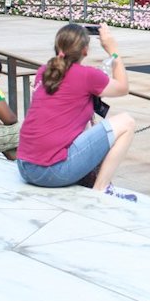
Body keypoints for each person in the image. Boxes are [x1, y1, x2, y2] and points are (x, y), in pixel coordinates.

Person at [17, 23, 137, 201]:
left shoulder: (44, 71)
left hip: (25, 167)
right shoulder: (87, 75)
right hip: (51, 172)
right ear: (85, 51)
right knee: (127, 122)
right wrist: (113, 50)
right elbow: (123, 87)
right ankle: (102, 188)